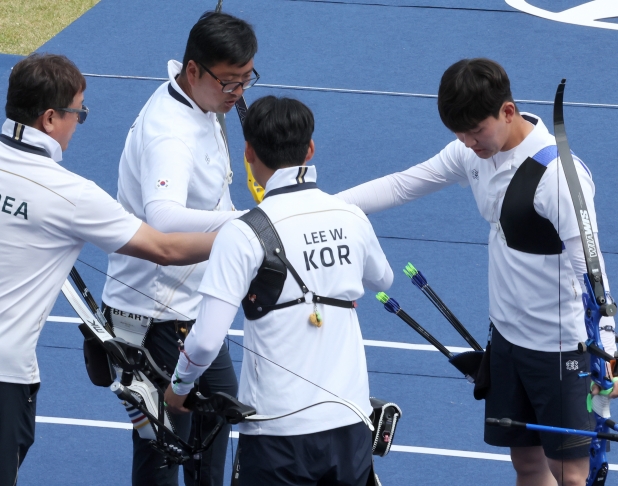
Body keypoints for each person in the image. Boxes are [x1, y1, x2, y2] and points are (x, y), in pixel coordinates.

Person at [0, 53, 216, 486]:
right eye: (78, 112)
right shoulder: (72, 194)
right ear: (49, 118)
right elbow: (165, 248)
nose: (78, 123)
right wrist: (253, 234)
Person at [336, 58, 617, 486]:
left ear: (507, 111)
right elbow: (401, 184)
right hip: (506, 339)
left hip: (561, 349)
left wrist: (609, 345)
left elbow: (589, 268)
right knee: (526, 464)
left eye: (475, 132)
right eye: (459, 134)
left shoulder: (559, 177)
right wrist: (319, 208)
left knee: (571, 475)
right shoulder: (474, 151)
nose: (468, 143)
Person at [164, 96, 394, 486]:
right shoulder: (350, 216)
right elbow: (382, 280)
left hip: (277, 435)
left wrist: (179, 388)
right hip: (350, 425)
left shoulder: (241, 232)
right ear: (310, 149)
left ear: (249, 153)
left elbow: (204, 342)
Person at [100, 11, 258, 486]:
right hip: (153, 316)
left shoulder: (203, 102)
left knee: (219, 417)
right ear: (194, 70)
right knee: (163, 445)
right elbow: (164, 217)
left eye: (247, 80)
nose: (239, 93)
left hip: (191, 305)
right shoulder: (169, 131)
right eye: (230, 83)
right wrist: (251, 225)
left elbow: (215, 197)